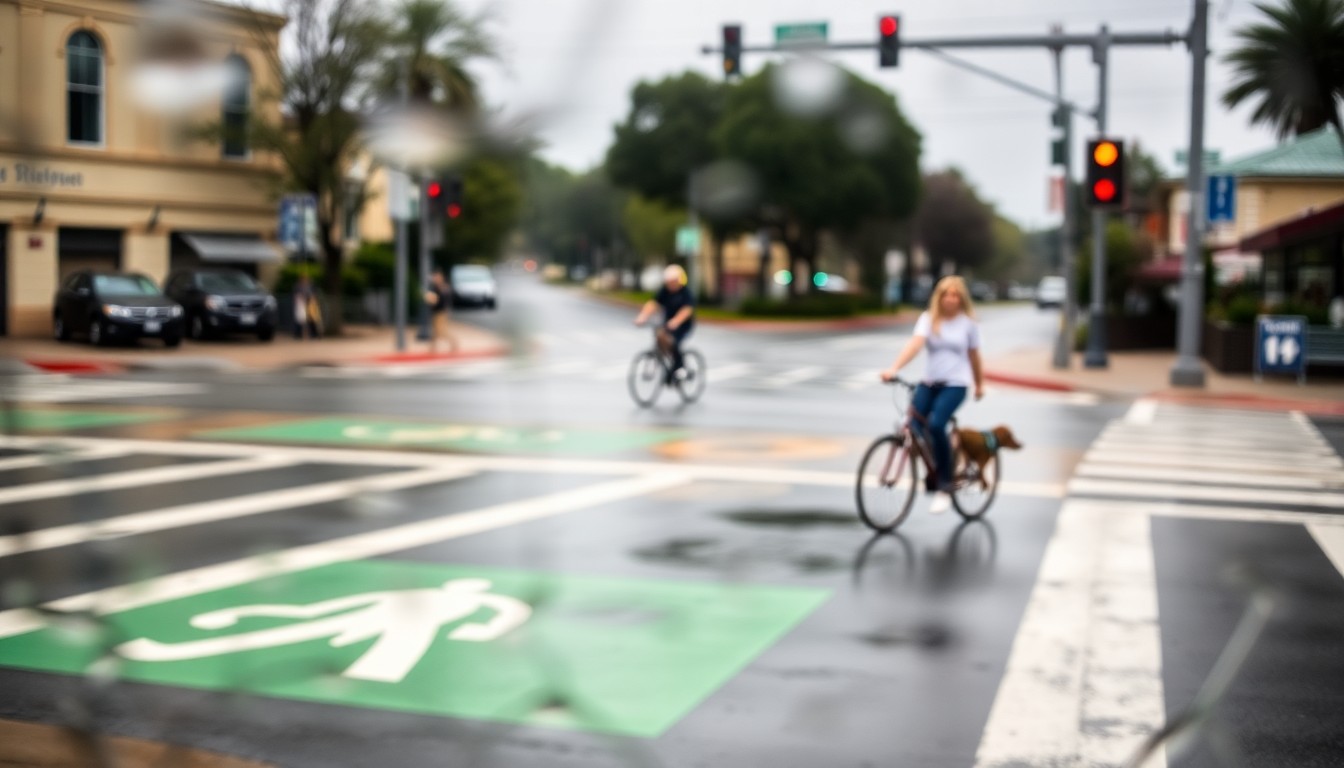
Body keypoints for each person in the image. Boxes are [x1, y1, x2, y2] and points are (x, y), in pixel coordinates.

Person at [880, 276, 984, 494]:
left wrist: (979, 384)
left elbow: (974, 356)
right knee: (914, 427)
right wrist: (894, 368)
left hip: (956, 384)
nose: (950, 299)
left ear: (961, 298)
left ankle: (945, 477)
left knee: (936, 424)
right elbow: (915, 344)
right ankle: (933, 464)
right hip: (929, 382)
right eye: (945, 294)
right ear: (939, 297)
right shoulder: (929, 319)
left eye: (955, 295)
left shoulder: (968, 324)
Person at [634, 265, 696, 383]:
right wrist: (642, 317)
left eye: (673, 281)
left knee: (674, 343)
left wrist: (676, 321)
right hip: (668, 324)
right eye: (668, 282)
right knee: (660, 337)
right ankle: (668, 365)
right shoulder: (665, 291)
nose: (671, 284)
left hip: (683, 326)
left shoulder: (685, 292)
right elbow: (653, 304)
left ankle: (680, 367)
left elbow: (687, 310)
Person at [425, 269, 460, 354]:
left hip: (441, 312)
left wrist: (434, 299)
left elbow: (446, 299)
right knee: (435, 331)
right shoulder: (434, 287)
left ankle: (453, 343)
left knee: (441, 331)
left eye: (437, 277)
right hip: (435, 311)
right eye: (435, 277)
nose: (435, 278)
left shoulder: (444, 287)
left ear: (441, 277)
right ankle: (432, 348)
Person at [293, 274, 322, 340]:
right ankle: (299, 334)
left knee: (312, 320)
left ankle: (314, 334)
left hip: (309, 305)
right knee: (301, 320)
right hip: (302, 305)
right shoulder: (299, 287)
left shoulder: (309, 287)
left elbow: (312, 296)